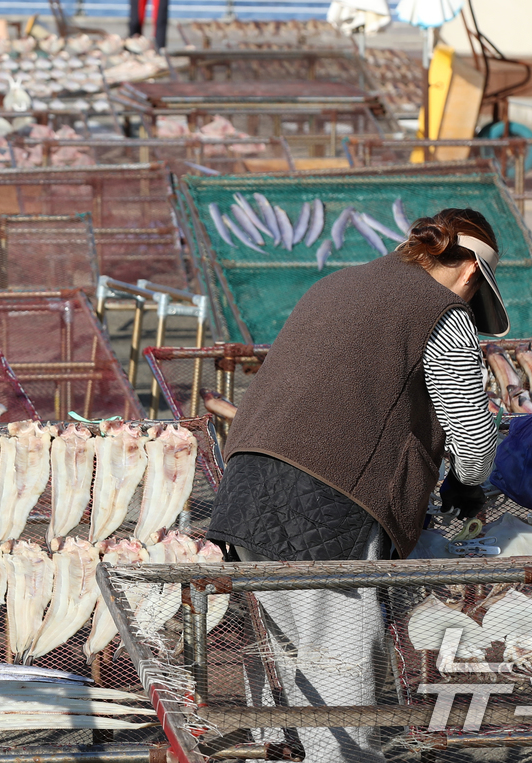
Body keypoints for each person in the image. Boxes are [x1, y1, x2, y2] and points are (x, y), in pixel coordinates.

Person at [206, 208, 508, 762]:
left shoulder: (339, 282)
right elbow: (471, 430)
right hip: (327, 499)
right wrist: (468, 486)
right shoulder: (443, 313)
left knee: (303, 662)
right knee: (339, 671)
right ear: (470, 274)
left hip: (246, 485)